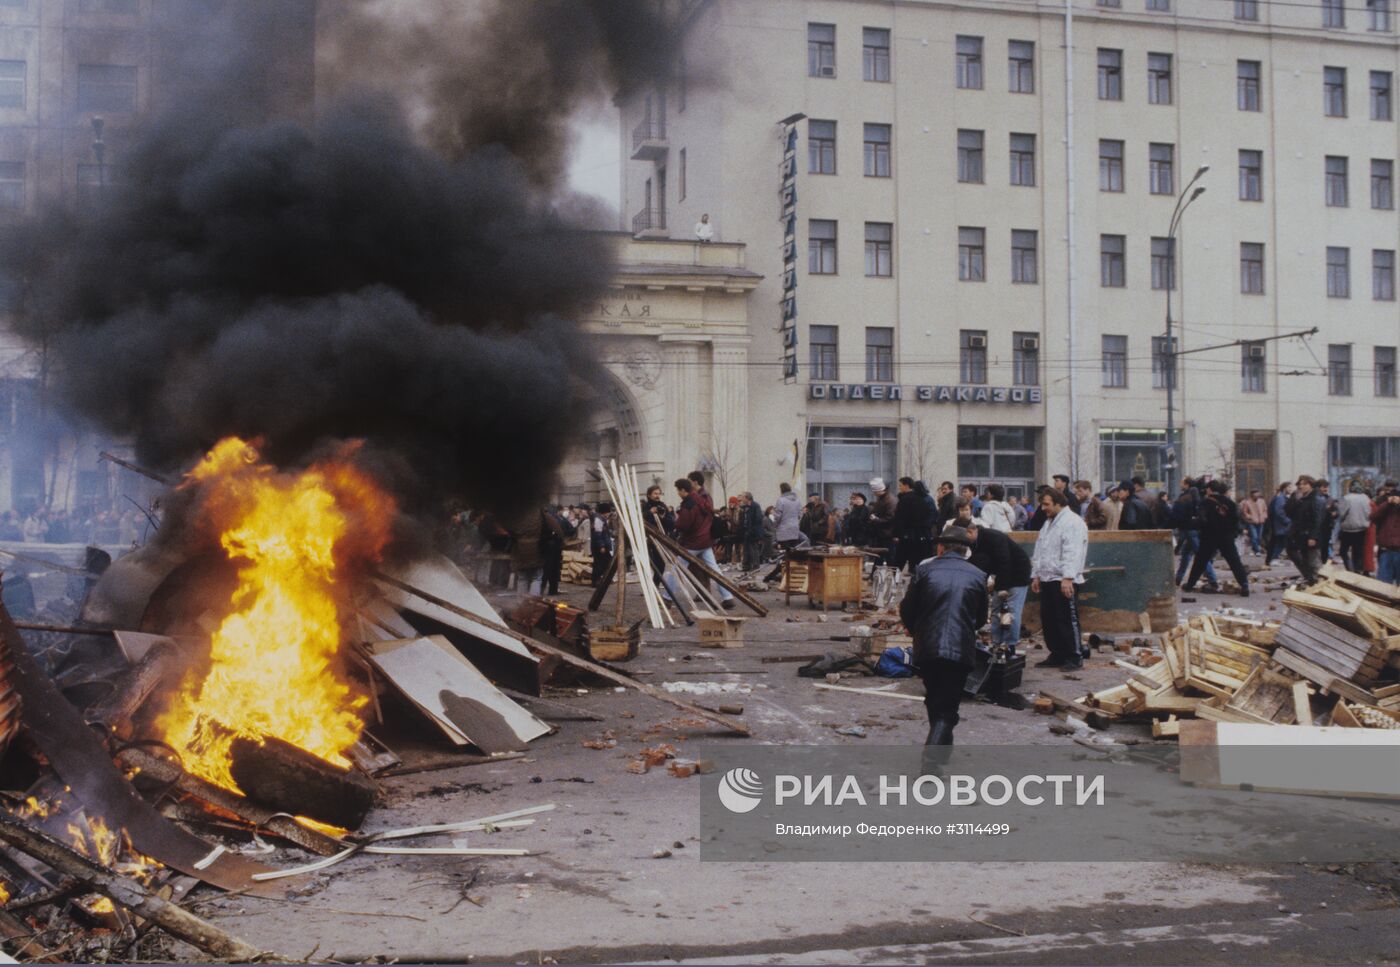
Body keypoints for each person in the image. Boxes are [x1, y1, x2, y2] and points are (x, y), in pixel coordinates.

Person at [899, 523, 988, 746]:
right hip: (959, 648)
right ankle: (933, 760)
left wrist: (915, 629)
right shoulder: (978, 575)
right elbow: (981, 617)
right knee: (946, 708)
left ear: (941, 548)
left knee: (936, 700)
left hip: (928, 646)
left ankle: (939, 749)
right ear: (965, 551)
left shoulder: (924, 570)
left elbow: (907, 608)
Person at [1030, 487, 1089, 670]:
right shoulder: (1049, 523)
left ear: (1058, 503)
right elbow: (1040, 549)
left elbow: (1073, 551)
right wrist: (1037, 575)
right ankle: (1057, 654)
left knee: (1066, 619)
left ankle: (1074, 655)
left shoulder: (1072, 522)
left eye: (1046, 504)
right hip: (1048, 577)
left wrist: (1068, 577)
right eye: (1042, 504)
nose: (1043, 508)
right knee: (1049, 619)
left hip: (1063, 579)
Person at [966, 518, 1032, 655]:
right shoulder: (976, 542)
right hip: (1003, 576)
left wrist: (1002, 587)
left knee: (1010, 612)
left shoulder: (993, 538)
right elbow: (982, 563)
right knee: (996, 611)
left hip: (1017, 574)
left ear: (971, 531)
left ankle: (1009, 644)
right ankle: (997, 643)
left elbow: (1004, 561)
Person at [674, 477, 736, 609]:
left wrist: (676, 524)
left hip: (693, 542)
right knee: (715, 570)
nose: (678, 493)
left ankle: (667, 598)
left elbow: (683, 524)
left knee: (677, 568)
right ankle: (727, 597)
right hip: (705, 540)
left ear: (683, 490)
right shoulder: (703, 500)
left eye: (678, 491)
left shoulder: (689, 504)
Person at [1181, 480, 1250, 597]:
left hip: (1209, 536)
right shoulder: (1230, 503)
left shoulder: (1205, 503)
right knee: (1234, 561)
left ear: (1209, 490)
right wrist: (1231, 532)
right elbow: (1236, 520)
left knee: (1200, 561)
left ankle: (1190, 585)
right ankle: (1244, 585)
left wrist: (1194, 525)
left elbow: (1202, 520)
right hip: (1226, 537)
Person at [1171, 477, 1217, 590]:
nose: (1180, 484)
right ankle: (1178, 578)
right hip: (1194, 529)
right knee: (1186, 554)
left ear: (1186, 484)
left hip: (1189, 529)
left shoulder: (1187, 496)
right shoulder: (1198, 495)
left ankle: (1213, 580)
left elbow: (1180, 513)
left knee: (1200, 555)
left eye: (1181, 482)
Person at [1285, 475, 1329, 586]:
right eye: (1300, 484)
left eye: (1305, 484)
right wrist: (1294, 498)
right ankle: (1312, 580)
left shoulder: (1316, 499)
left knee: (1314, 561)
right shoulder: (1302, 498)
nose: (1302, 486)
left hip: (1311, 534)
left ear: (1311, 485)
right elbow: (1290, 513)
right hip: (1301, 534)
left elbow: (1317, 519)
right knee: (1305, 559)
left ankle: (1319, 583)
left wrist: (1313, 536)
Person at [894, 477, 937, 572]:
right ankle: (914, 578)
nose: (899, 488)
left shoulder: (905, 500)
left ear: (906, 486)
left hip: (907, 535)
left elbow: (899, 518)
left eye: (900, 486)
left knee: (899, 560)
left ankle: (895, 580)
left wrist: (897, 534)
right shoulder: (923, 499)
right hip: (921, 535)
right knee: (916, 560)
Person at [1337, 482, 1373, 574]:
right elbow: (1369, 513)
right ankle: (1357, 570)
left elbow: (1341, 513)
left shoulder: (1346, 498)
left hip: (1348, 529)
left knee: (1343, 551)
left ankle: (1350, 569)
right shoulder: (1366, 498)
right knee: (1358, 552)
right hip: (1362, 529)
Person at [1371, 485, 1400, 584]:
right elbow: (1373, 517)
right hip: (1386, 550)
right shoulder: (1386, 509)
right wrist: (1387, 504)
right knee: (1383, 584)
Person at [867, 477, 897, 560]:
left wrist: (875, 519)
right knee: (880, 557)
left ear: (880, 490)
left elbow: (890, 518)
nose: (874, 493)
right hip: (882, 533)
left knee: (889, 557)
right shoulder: (882, 499)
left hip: (887, 534)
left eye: (875, 491)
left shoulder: (890, 500)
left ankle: (891, 572)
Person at [1265, 482, 1293, 565]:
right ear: (1285, 488)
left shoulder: (1281, 497)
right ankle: (1274, 558)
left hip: (1278, 525)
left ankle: (1271, 559)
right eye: (1289, 487)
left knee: (1276, 542)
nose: (1291, 489)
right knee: (1281, 542)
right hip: (1280, 525)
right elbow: (1279, 511)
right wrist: (1287, 521)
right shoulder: (1280, 498)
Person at [773, 482, 803, 550]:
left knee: (785, 552)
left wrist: (774, 526)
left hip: (783, 530)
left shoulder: (781, 500)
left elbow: (778, 516)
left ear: (781, 490)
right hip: (794, 529)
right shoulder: (797, 500)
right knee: (793, 551)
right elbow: (800, 514)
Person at [739, 492, 766, 570]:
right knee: (746, 549)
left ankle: (755, 565)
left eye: (743, 497)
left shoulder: (755, 506)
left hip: (754, 532)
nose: (742, 499)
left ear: (747, 498)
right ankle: (746, 565)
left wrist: (752, 529)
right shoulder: (746, 507)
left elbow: (758, 519)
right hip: (747, 531)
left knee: (753, 549)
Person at [1317, 480, 1339, 563]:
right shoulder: (1316, 498)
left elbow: (1336, 511)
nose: (1325, 489)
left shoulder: (1329, 499)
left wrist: (1335, 513)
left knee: (1325, 546)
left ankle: (1324, 562)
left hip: (1327, 526)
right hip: (1317, 526)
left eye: (1326, 487)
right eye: (1323, 487)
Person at [1240, 489, 1268, 555]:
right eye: (1255, 495)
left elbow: (1265, 510)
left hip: (1261, 521)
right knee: (1254, 536)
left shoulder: (1262, 501)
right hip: (1251, 522)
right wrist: (1250, 517)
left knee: (1259, 536)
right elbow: (1244, 512)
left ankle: (1255, 547)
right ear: (1252, 495)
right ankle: (1257, 550)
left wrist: (1264, 516)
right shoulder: (1247, 502)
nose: (1257, 496)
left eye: (1258, 494)